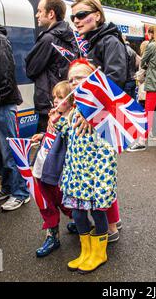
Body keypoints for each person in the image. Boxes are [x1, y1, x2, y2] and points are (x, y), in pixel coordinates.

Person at [49, 59, 117, 274]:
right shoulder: (76, 110)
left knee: (97, 214)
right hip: (76, 174)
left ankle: (99, 252)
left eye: (80, 77)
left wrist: (103, 181)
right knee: (78, 214)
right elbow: (70, 134)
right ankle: (86, 251)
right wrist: (57, 121)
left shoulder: (103, 110)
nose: (74, 82)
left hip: (95, 176)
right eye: (72, 79)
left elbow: (109, 148)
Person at [71, 0, 125, 238]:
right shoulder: (93, 41)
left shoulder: (108, 41)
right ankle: (113, 221)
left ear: (97, 16)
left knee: (101, 175)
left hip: (101, 119)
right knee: (97, 174)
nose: (76, 20)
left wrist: (88, 112)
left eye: (82, 15)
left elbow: (114, 80)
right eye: (74, 17)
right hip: (92, 115)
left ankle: (111, 228)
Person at [0, 7, 30, 210]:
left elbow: (6, 76)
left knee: (9, 151)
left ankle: (21, 192)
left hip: (2, 105)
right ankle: (7, 187)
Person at [32, 81, 74, 257]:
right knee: (46, 204)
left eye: (61, 97)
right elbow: (51, 139)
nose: (56, 100)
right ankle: (52, 236)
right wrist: (42, 135)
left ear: (72, 101)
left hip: (57, 173)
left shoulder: (71, 121)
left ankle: (79, 221)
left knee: (66, 202)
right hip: (41, 169)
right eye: (55, 97)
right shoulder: (53, 117)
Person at [26, 0, 77, 133]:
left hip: (49, 103)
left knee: (46, 148)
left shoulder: (48, 39)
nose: (37, 15)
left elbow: (31, 70)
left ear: (51, 14)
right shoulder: (71, 37)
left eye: (39, 11)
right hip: (66, 101)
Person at [127, 25, 156, 151]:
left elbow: (142, 61)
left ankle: (141, 141)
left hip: (153, 82)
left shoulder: (151, 46)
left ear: (151, 34)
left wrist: (149, 65)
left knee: (148, 112)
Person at [123, 35, 140, 100]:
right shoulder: (132, 50)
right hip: (133, 79)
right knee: (133, 102)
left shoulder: (122, 50)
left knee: (124, 102)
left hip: (126, 80)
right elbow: (139, 61)